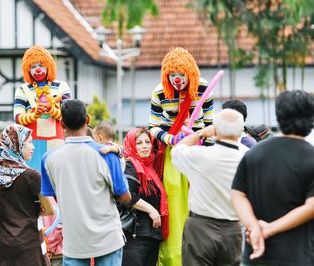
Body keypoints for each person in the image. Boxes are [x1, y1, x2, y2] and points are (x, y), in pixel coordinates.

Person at [40, 99, 131, 265]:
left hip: (74, 242)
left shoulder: (48, 159)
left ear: (61, 123)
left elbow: (54, 196)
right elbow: (125, 196)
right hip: (108, 239)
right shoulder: (107, 154)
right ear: (87, 119)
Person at [231, 90, 314, 266]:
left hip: (256, 254)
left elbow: (237, 194)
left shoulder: (254, 153)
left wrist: (253, 226)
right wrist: (269, 228)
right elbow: (311, 206)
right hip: (298, 256)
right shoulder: (311, 157)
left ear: (279, 116)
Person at [148, 47, 214, 265]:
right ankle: (173, 257)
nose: (177, 80)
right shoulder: (159, 93)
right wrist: (170, 139)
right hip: (172, 153)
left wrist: (203, 147)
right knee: (174, 200)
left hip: (199, 150)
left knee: (200, 199)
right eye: (172, 75)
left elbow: (210, 125)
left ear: (190, 74)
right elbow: (152, 126)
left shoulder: (204, 89)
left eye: (181, 75)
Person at [171, 109, 246, 265]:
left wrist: (201, 133)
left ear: (215, 130)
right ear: (240, 132)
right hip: (232, 229)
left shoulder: (199, 155)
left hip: (200, 228)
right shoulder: (247, 156)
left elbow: (176, 151)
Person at [0, 124, 54, 266]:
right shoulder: (32, 176)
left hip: (2, 243)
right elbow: (50, 209)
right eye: (29, 142)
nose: (33, 147)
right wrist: (37, 208)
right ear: (16, 145)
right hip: (29, 244)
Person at [13, 44, 70, 172]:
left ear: (48, 65)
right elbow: (18, 117)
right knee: (34, 178)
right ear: (27, 69)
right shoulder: (23, 89)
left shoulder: (62, 86)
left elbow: (67, 116)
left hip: (57, 141)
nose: (37, 70)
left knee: (55, 177)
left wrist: (52, 110)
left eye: (40, 65)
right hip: (31, 143)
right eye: (32, 67)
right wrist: (35, 114)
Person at [121, 127, 169, 266]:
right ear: (131, 145)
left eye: (147, 142)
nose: (145, 146)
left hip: (151, 237)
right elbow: (126, 196)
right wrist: (151, 210)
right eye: (139, 143)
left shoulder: (151, 167)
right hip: (135, 238)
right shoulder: (130, 165)